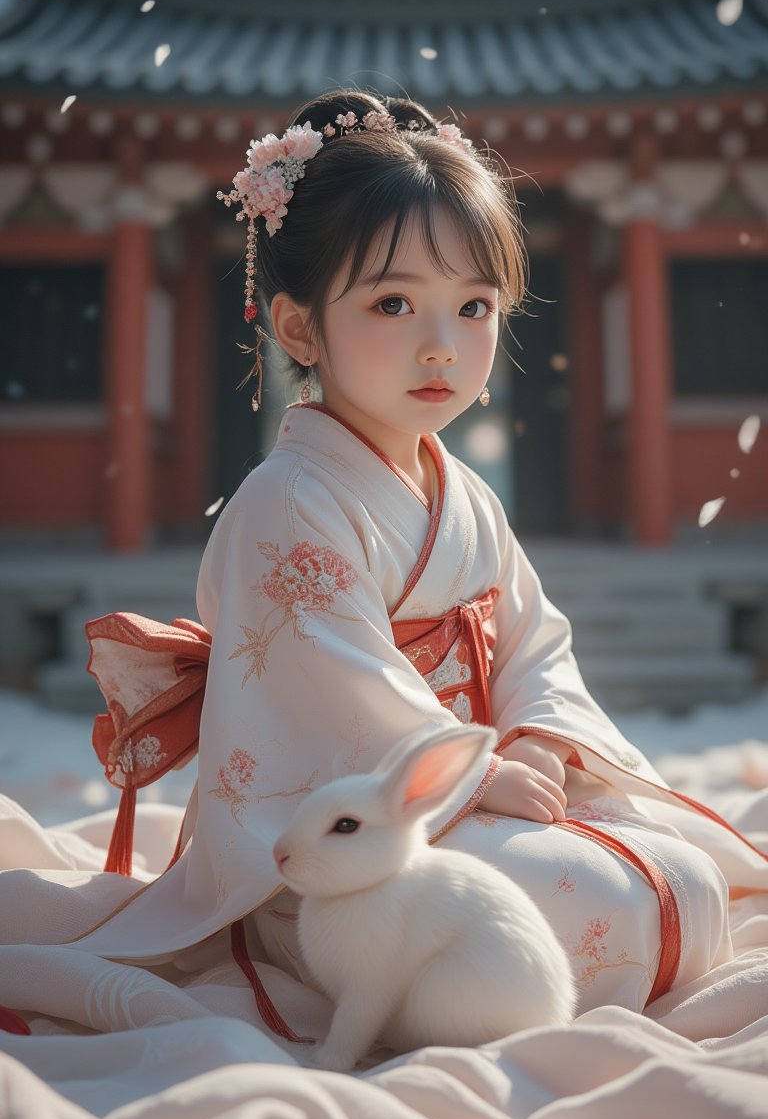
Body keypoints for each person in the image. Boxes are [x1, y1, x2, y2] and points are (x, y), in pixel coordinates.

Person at [2, 89, 765, 1053]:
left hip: (463, 790)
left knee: (687, 872)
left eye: (474, 305)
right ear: (299, 328)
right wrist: (472, 768)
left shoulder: (464, 493)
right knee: (580, 899)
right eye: (394, 302)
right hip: (346, 841)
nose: (441, 343)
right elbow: (331, 698)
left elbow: (534, 641)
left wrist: (533, 744)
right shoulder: (286, 505)